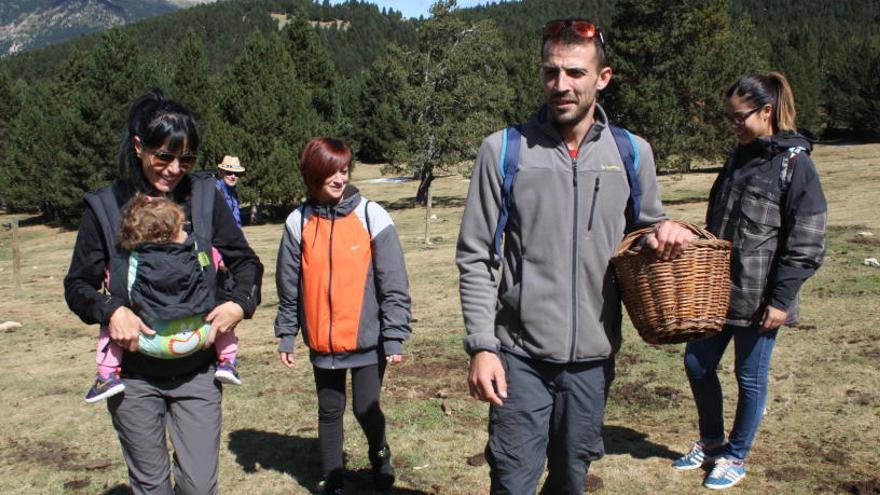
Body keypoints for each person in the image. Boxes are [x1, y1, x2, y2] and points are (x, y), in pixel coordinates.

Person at [456, 18, 693, 494]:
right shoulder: (504, 150)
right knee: (512, 481)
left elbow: (644, 231)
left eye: (575, 73)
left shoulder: (631, 152)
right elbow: (477, 255)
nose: (560, 85)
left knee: (570, 480)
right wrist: (483, 345)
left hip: (593, 358)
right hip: (518, 356)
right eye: (550, 72)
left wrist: (663, 231)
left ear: (602, 78)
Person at [64, 90, 263, 494]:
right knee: (151, 486)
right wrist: (110, 310)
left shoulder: (205, 197)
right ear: (139, 146)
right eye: (164, 156)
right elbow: (77, 285)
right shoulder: (105, 207)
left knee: (198, 486)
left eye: (186, 159)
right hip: (133, 377)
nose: (174, 169)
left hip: (199, 373)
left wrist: (239, 305)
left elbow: (246, 263)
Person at [671, 72, 826, 490]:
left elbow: (807, 240)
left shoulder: (796, 165)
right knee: (696, 365)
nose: (732, 125)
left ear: (767, 111)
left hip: (761, 299)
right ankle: (712, 441)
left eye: (739, 117)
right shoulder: (739, 158)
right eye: (728, 118)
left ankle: (736, 457)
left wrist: (782, 299)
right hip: (716, 292)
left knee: (749, 377)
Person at [274, 137, 412, 495]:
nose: (339, 178)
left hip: (367, 338)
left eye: (344, 170)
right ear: (312, 175)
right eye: (330, 171)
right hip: (322, 341)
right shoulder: (297, 223)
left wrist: (394, 334)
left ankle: (379, 452)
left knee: (366, 407)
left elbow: (393, 280)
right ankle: (333, 476)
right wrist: (286, 333)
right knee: (330, 409)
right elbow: (289, 287)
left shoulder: (371, 214)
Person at [83, 193, 242, 404]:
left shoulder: (130, 259)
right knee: (221, 311)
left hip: (147, 340)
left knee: (113, 321)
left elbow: (112, 281)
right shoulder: (198, 249)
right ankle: (228, 360)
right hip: (198, 335)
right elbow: (219, 262)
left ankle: (107, 374)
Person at [216, 155, 245, 228]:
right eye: (229, 173)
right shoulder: (215, 191)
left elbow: (236, 219)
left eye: (236, 173)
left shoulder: (233, 193)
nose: (233, 176)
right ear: (221, 172)